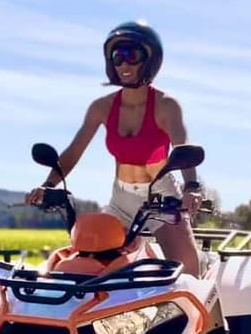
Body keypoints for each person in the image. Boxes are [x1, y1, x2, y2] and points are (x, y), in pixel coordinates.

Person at [24, 21, 203, 276]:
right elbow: (74, 150)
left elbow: (182, 147)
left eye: (132, 56)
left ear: (150, 60)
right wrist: (49, 184)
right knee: (87, 269)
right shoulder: (102, 107)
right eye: (117, 58)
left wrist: (192, 187)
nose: (124, 65)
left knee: (188, 274)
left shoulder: (166, 106)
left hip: (162, 199)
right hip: (120, 200)